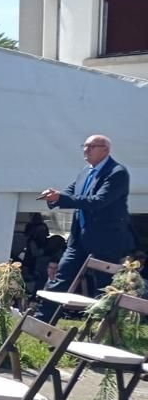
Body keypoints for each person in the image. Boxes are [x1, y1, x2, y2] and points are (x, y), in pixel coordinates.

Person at [36, 135, 134, 316]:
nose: (85, 150)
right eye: (85, 146)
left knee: (104, 286)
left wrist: (61, 198)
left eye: (91, 146)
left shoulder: (117, 173)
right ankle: (42, 319)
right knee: (61, 278)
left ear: (105, 150)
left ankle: (104, 326)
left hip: (105, 240)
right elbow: (69, 192)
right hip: (78, 239)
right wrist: (54, 196)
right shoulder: (85, 171)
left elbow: (97, 201)